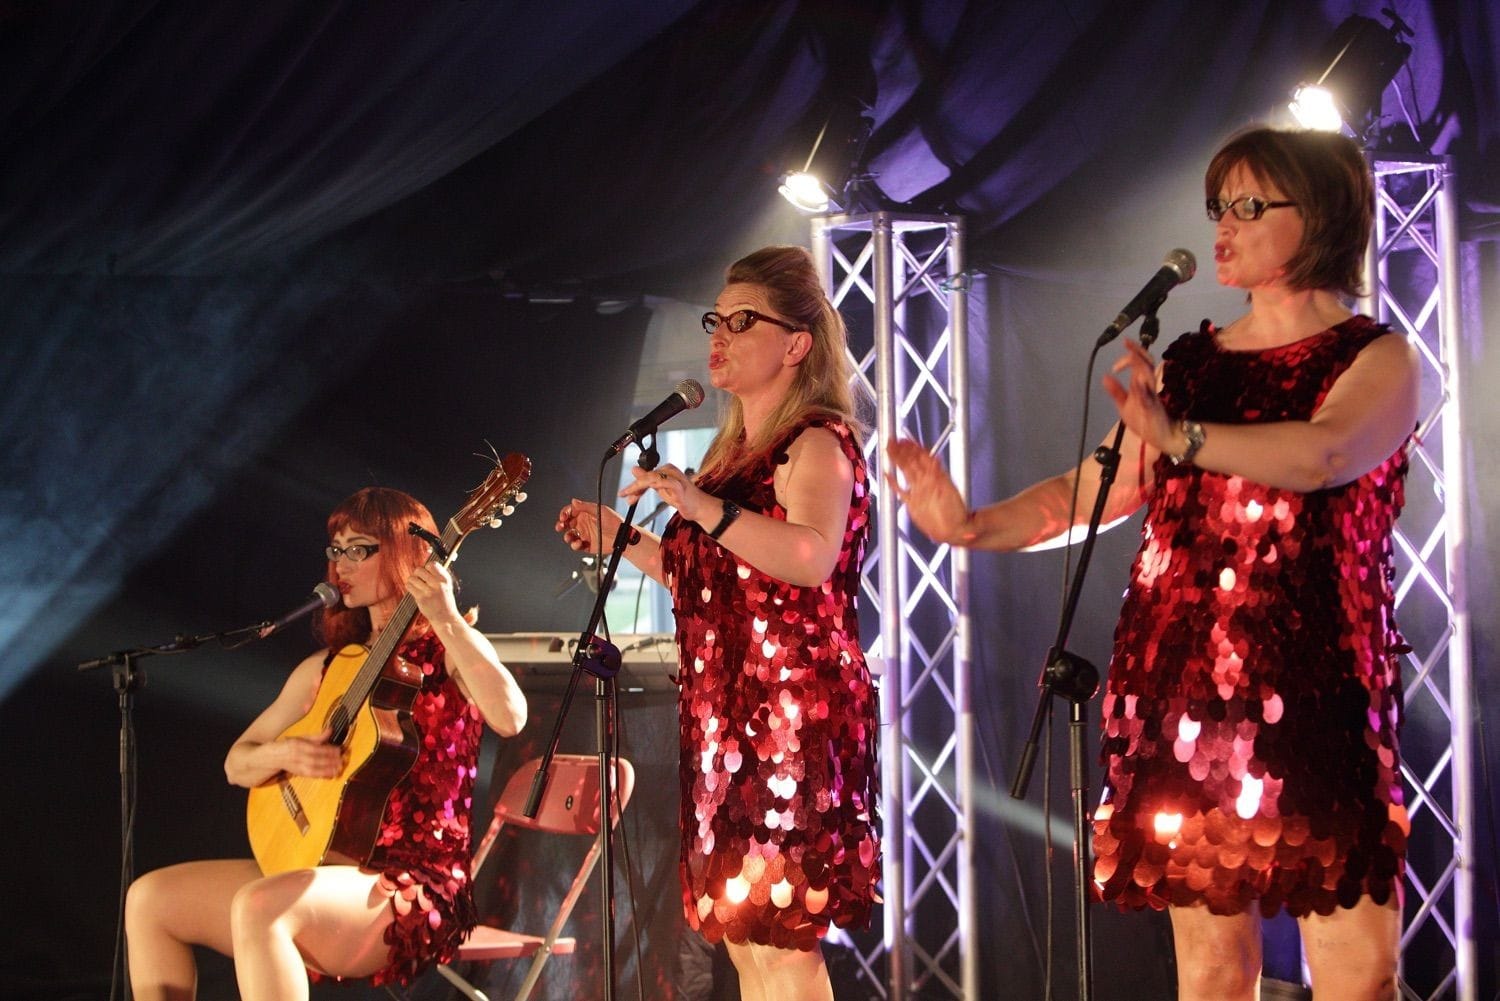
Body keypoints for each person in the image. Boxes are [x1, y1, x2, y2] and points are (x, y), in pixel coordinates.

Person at [886, 127, 1417, 1001]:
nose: (1224, 225)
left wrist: (1183, 437)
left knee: (1360, 974)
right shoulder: (1189, 364)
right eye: (1219, 206)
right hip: (1182, 696)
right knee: (1212, 971)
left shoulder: (1374, 356)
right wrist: (970, 524)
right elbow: (1090, 490)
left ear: (1318, 216)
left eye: (1250, 205)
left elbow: (1323, 454)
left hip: (1318, 691)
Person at [556, 245, 880, 1001]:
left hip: (793, 716)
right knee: (743, 937)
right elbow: (706, 580)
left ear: (797, 343)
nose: (720, 334)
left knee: (786, 939)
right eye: (716, 318)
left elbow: (808, 556)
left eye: (743, 320)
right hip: (725, 718)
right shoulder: (729, 457)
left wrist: (700, 507)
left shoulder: (818, 443)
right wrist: (623, 537)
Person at [125, 487, 528, 1000]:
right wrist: (285, 754)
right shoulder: (327, 668)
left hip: (410, 887)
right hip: (318, 864)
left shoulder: (448, 650)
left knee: (260, 906)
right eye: (335, 550)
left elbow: (511, 717)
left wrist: (446, 618)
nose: (340, 565)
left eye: (358, 549)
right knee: (150, 899)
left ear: (409, 552)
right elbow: (237, 764)